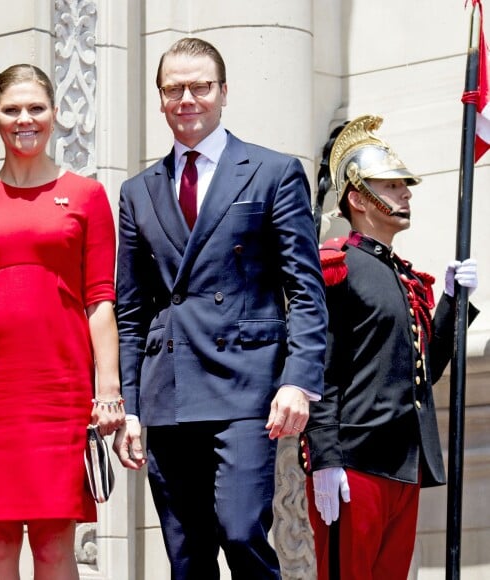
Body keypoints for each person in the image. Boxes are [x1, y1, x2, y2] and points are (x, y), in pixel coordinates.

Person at [113, 37, 327, 579]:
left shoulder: (272, 171)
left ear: (223, 92)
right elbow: (132, 310)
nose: (187, 98)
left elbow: (304, 289)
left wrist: (298, 380)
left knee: (239, 528)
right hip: (170, 391)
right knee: (188, 559)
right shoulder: (138, 191)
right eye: (173, 89)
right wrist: (131, 407)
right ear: (160, 100)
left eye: (200, 86)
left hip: (246, 385)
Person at [0, 64, 123, 580]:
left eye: (36, 108)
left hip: (59, 395)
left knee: (54, 548)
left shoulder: (86, 197)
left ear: (55, 115)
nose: (25, 119)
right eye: (12, 109)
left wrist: (107, 391)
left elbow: (100, 300)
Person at [301, 114, 479, 579]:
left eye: (404, 185)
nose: (406, 193)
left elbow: (425, 369)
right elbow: (321, 369)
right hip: (353, 463)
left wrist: (452, 302)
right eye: (394, 185)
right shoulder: (338, 266)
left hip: (404, 464)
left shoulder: (403, 276)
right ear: (358, 198)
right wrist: (324, 458)